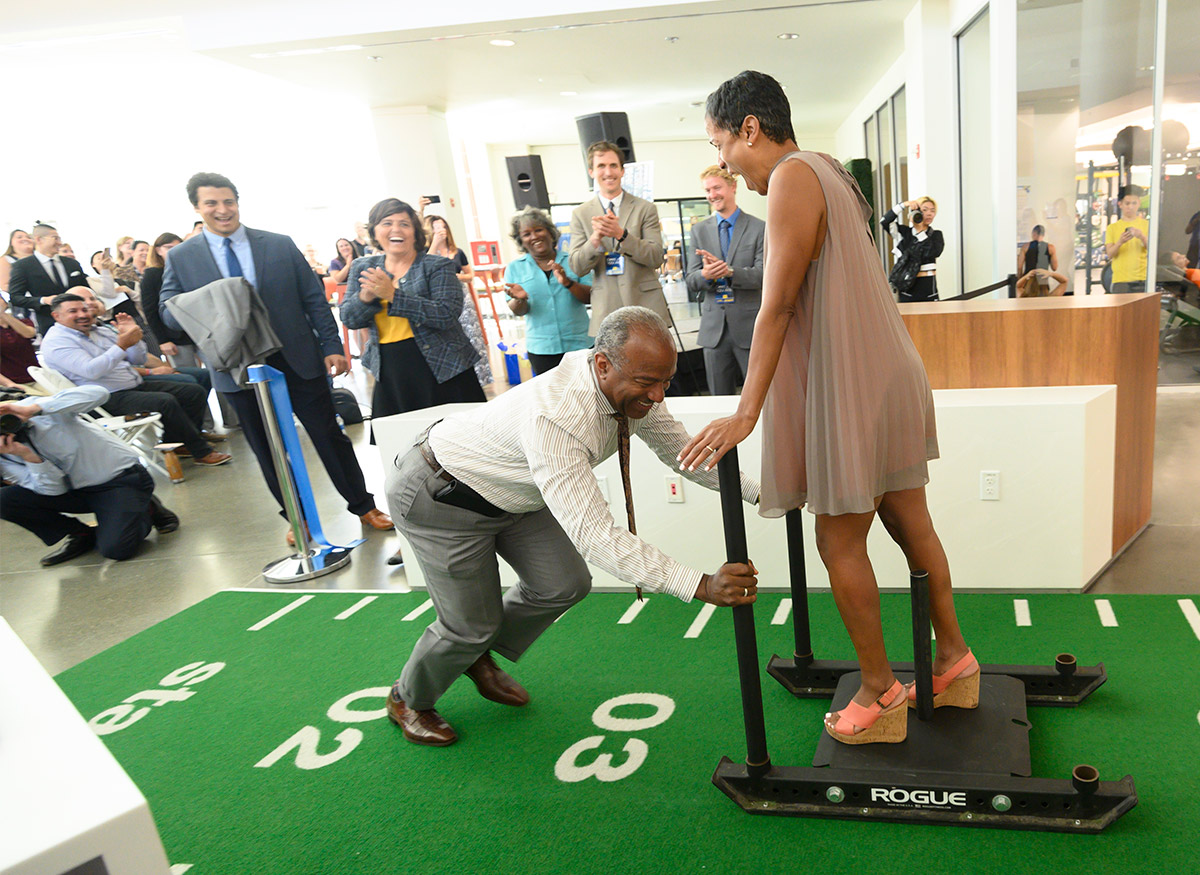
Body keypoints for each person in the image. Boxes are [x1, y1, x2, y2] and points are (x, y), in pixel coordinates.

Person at [681, 71, 975, 746]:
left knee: (838, 538)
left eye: (721, 142)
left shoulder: (790, 175)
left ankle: (881, 692)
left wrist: (746, 412)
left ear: (749, 128)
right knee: (910, 522)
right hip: (891, 371)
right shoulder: (833, 171)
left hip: (856, 381)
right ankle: (956, 661)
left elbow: (779, 303)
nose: (723, 160)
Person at [384, 306, 760, 746]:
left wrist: (763, 493)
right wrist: (700, 585)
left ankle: (472, 655)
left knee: (562, 583)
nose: (658, 395)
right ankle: (408, 697)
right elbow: (596, 536)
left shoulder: (633, 390)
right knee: (469, 625)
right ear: (603, 364)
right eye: (647, 382)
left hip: (513, 493)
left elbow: (684, 453)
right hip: (440, 495)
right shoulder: (558, 415)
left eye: (666, 381)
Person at [160, 172, 393, 536]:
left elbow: (313, 298)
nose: (222, 210)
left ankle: (364, 507)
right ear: (196, 208)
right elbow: (167, 311)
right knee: (266, 447)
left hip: (295, 357)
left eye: (228, 202)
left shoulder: (279, 244)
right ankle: (295, 519)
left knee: (328, 435)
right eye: (211, 204)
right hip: (237, 366)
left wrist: (331, 346)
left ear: (237, 202)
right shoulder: (182, 257)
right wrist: (204, 305)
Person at [338, 198, 484, 442]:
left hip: (443, 369)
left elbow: (446, 314)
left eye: (404, 224)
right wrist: (366, 296)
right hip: (391, 370)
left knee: (459, 446)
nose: (396, 230)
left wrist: (393, 295)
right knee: (400, 448)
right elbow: (349, 318)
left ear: (415, 232)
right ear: (375, 230)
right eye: (387, 223)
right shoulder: (362, 267)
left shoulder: (436, 266)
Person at [40, 293, 231, 467]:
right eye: (73, 311)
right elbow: (92, 371)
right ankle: (201, 451)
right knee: (165, 401)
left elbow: (137, 359)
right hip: (104, 398)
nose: (82, 314)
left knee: (192, 391)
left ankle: (178, 442)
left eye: (84, 309)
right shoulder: (57, 342)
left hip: (131, 384)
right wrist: (122, 344)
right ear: (56, 316)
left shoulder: (99, 330)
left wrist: (133, 338)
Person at [0, 385, 180, 566]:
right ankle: (81, 535)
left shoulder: (36, 409)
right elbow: (52, 491)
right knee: (5, 499)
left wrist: (36, 409)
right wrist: (29, 457)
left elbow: (99, 393)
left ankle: (148, 506)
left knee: (117, 549)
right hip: (73, 492)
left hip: (118, 481)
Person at [569, 140, 668, 332]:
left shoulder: (645, 208)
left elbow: (656, 257)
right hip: (606, 311)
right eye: (601, 166)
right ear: (591, 172)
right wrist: (595, 240)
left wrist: (622, 235)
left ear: (622, 171)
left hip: (646, 306)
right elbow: (576, 267)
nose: (608, 172)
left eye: (613, 165)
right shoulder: (580, 214)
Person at [684, 165, 765, 395]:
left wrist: (730, 272)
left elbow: (763, 274)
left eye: (717, 187)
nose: (712, 195)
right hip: (713, 333)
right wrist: (706, 275)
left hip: (750, 330)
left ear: (733, 186)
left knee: (759, 398)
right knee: (718, 400)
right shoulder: (699, 231)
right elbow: (691, 279)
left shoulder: (759, 228)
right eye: (707, 190)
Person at [503, 206, 592, 375]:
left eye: (538, 230)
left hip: (580, 345)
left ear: (551, 233)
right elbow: (518, 311)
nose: (534, 236)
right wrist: (520, 299)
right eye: (526, 234)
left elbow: (590, 297)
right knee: (551, 398)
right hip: (541, 350)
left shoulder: (573, 260)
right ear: (521, 241)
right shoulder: (514, 268)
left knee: (587, 395)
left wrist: (568, 283)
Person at [425, 214, 492, 386]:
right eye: (436, 228)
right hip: (439, 298)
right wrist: (434, 245)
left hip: (461, 295)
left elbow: (470, 275)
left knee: (471, 335)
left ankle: (480, 376)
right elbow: (425, 268)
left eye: (443, 227)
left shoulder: (457, 251)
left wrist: (455, 276)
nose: (441, 231)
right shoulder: (427, 253)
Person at [7, 224, 91, 336]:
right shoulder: (23, 266)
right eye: (55, 238)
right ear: (38, 239)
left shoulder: (72, 264)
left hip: (82, 322)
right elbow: (15, 298)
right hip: (50, 324)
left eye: (59, 238)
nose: (59, 243)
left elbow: (86, 289)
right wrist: (43, 300)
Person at [881, 198, 944, 302]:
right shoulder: (905, 233)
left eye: (932, 211)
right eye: (925, 210)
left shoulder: (936, 235)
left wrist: (920, 231)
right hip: (906, 291)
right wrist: (904, 205)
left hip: (929, 293)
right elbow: (884, 221)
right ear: (916, 212)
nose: (929, 214)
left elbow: (934, 252)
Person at [1105, 188, 1149, 294]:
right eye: (1127, 203)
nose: (1130, 207)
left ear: (1139, 204)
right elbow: (1110, 254)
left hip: (1142, 279)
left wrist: (1142, 236)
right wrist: (1120, 242)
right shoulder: (1112, 228)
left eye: (1134, 203)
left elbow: (1153, 251)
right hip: (1120, 281)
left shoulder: (1147, 225)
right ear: (1120, 204)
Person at [0, 296, 43, 394]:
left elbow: (29, 333)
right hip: (11, 382)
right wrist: (9, 384)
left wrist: (3, 314)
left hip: (37, 376)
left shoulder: (23, 321)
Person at [1, 229, 35, 295]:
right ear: (11, 242)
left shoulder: (41, 257)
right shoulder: (5, 259)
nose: (25, 239)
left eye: (28, 237)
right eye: (19, 237)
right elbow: (4, 285)